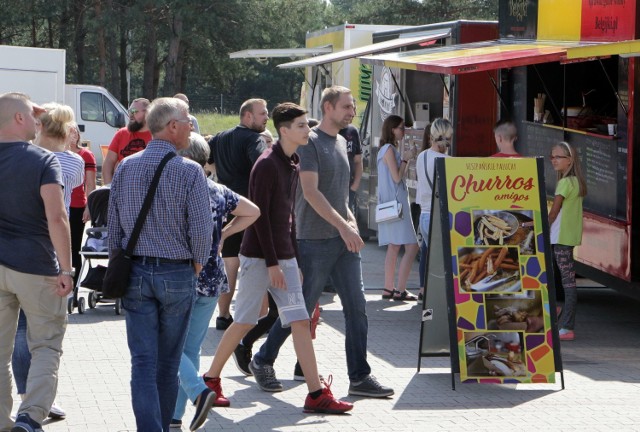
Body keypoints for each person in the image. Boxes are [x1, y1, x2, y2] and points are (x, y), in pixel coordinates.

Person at [204, 102, 353, 414]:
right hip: (259, 257)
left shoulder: (293, 162)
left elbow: (288, 219)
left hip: (282, 256)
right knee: (244, 320)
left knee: (300, 320)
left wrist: (293, 260)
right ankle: (210, 380)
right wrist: (274, 263)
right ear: (283, 130)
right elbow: (259, 219)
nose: (307, 130)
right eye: (300, 125)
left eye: (305, 125)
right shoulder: (267, 165)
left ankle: (315, 394)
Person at [251, 86, 394, 398]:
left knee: (357, 309)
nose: (351, 112)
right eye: (346, 106)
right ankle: (263, 359)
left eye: (352, 106)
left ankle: (359, 376)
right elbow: (311, 193)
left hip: (344, 241)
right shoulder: (310, 142)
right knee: (298, 310)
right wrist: (344, 227)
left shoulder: (343, 141)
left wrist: (351, 225)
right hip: (313, 240)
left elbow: (340, 195)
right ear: (328, 107)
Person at [108, 97, 213, 431]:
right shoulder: (190, 170)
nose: (190, 126)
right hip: (177, 271)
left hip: (136, 271)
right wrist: (197, 263)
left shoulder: (126, 166)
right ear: (172, 126)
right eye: (187, 121)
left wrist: (117, 264)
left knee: (142, 362)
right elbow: (201, 228)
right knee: (168, 364)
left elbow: (114, 227)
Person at [171, 133, 259, 431]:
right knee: (191, 349)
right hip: (210, 277)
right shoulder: (217, 189)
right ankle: (175, 417)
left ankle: (197, 392)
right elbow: (253, 211)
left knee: (168, 346)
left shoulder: (176, 187)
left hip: (181, 275)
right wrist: (224, 233)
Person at [0, 92, 74, 432]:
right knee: (45, 344)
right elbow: (57, 217)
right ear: (18, 119)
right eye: (33, 115)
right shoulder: (43, 160)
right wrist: (67, 268)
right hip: (35, 266)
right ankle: (31, 417)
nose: (39, 121)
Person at [207, 98, 268, 330]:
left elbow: (208, 163)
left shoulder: (220, 137)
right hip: (249, 209)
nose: (267, 117)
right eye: (262, 113)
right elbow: (261, 167)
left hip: (225, 205)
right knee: (255, 264)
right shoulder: (254, 139)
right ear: (248, 116)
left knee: (229, 263)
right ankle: (259, 317)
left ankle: (223, 315)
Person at [377, 115, 419, 302]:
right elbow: (397, 178)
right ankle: (400, 289)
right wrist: (406, 159)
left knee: (393, 246)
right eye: (401, 128)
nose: (403, 131)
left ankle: (388, 288)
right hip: (396, 205)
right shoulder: (389, 149)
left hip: (389, 205)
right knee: (412, 246)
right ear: (392, 129)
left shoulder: (385, 149)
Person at [549, 141, 586, 342]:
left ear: (569, 160)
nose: (554, 160)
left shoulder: (564, 183)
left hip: (560, 237)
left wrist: (542, 227)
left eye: (558, 157)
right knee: (561, 278)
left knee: (567, 282)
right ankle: (555, 311)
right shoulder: (576, 182)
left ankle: (567, 326)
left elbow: (554, 212)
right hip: (567, 238)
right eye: (552, 156)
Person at [416, 118, 452, 301]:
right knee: (441, 260)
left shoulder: (421, 157)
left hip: (424, 215)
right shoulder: (447, 161)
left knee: (427, 255)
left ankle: (423, 290)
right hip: (438, 217)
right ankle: (437, 296)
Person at [67, 123, 97, 286]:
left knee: (74, 245)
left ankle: (75, 286)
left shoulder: (86, 155)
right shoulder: (57, 153)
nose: (74, 135)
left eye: (76, 132)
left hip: (77, 205)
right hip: (60, 204)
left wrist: (89, 207)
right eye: (70, 132)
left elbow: (91, 184)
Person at [102, 97, 152, 184]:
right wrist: (108, 188)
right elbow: (108, 164)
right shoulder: (121, 134)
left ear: (147, 113)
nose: (131, 115)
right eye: (130, 111)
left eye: (134, 111)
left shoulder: (155, 136)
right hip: (122, 188)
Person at [339, 123, 363, 217]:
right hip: (329, 190)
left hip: (348, 189)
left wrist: (354, 187)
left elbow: (358, 161)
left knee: (348, 222)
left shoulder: (352, 131)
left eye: (353, 108)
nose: (353, 113)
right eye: (347, 107)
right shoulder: (323, 133)